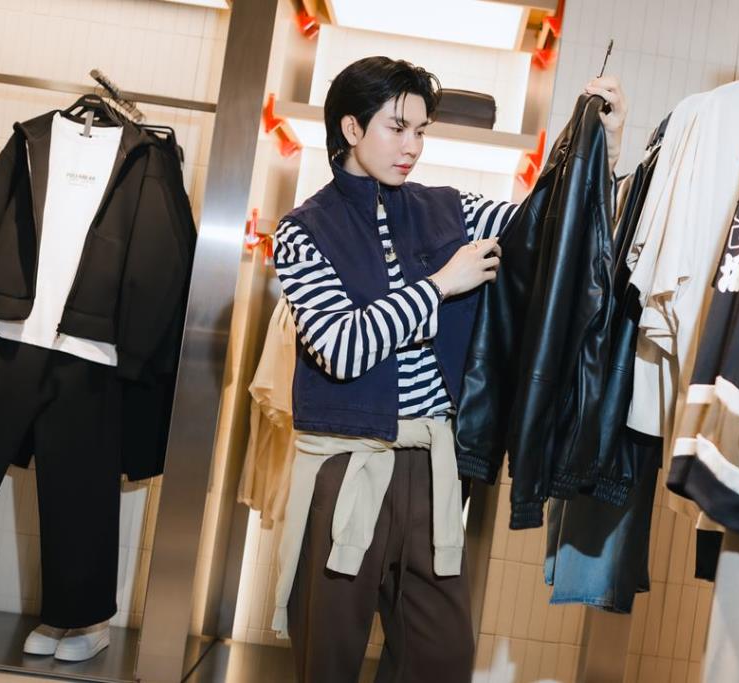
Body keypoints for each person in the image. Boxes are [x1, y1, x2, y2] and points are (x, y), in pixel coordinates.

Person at [273, 55, 627, 682]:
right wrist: (440, 285)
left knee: (441, 657)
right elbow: (341, 347)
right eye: (397, 128)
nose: (412, 146)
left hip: (436, 465)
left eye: (420, 131)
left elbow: (549, 231)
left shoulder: (449, 208)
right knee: (327, 657)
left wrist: (606, 147)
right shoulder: (302, 232)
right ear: (351, 128)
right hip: (345, 468)